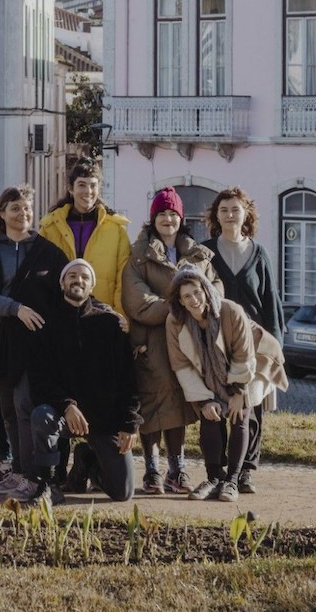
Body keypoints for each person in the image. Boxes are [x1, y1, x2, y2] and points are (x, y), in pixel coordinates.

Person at [0, 184, 68, 501]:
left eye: (27, 208)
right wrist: (15, 309)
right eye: (15, 208)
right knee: (7, 410)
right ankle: (19, 471)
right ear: (2, 213)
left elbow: (67, 292)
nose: (22, 213)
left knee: (26, 407)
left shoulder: (48, 252)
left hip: (34, 344)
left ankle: (33, 475)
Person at [122, 186, 221, 495]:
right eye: (162, 213)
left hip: (187, 342)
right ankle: (152, 470)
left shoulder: (197, 255)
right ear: (153, 219)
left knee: (178, 402)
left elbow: (214, 289)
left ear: (181, 219)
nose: (168, 219)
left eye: (173, 214)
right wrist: (180, 305)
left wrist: (196, 305)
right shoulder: (139, 255)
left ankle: (176, 470)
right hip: (150, 342)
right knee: (152, 403)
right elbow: (136, 300)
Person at [165, 264, 287, 503]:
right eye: (186, 296)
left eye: (197, 292)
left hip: (254, 360)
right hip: (210, 370)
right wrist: (204, 400)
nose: (194, 300)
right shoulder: (175, 322)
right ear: (179, 301)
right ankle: (213, 478)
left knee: (238, 414)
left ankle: (232, 479)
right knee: (210, 414)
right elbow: (182, 365)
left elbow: (244, 355)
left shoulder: (231, 311)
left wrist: (239, 392)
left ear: (206, 291)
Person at [22, 259, 140, 505]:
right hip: (64, 414)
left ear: (91, 285)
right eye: (72, 275)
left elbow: (128, 379)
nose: (78, 280)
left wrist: (130, 424)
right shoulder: (47, 325)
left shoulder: (110, 324)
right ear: (62, 282)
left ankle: (87, 460)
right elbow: (40, 380)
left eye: (85, 277)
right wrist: (67, 405)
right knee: (41, 416)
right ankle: (49, 484)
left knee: (123, 492)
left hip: (103, 419)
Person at [201, 187, 284, 495]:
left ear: (246, 213)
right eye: (224, 210)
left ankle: (247, 470)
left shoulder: (259, 253)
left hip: (255, 341)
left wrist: (276, 350)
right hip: (217, 341)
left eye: (236, 209)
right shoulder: (206, 250)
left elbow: (270, 302)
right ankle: (221, 470)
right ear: (216, 215)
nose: (230, 215)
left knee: (252, 406)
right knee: (221, 405)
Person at [38, 158, 130, 315]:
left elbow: (123, 280)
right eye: (81, 185)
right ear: (71, 189)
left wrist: (119, 316)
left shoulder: (116, 230)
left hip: (102, 315)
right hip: (58, 316)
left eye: (93, 185)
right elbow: (39, 276)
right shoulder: (50, 228)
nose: (88, 191)